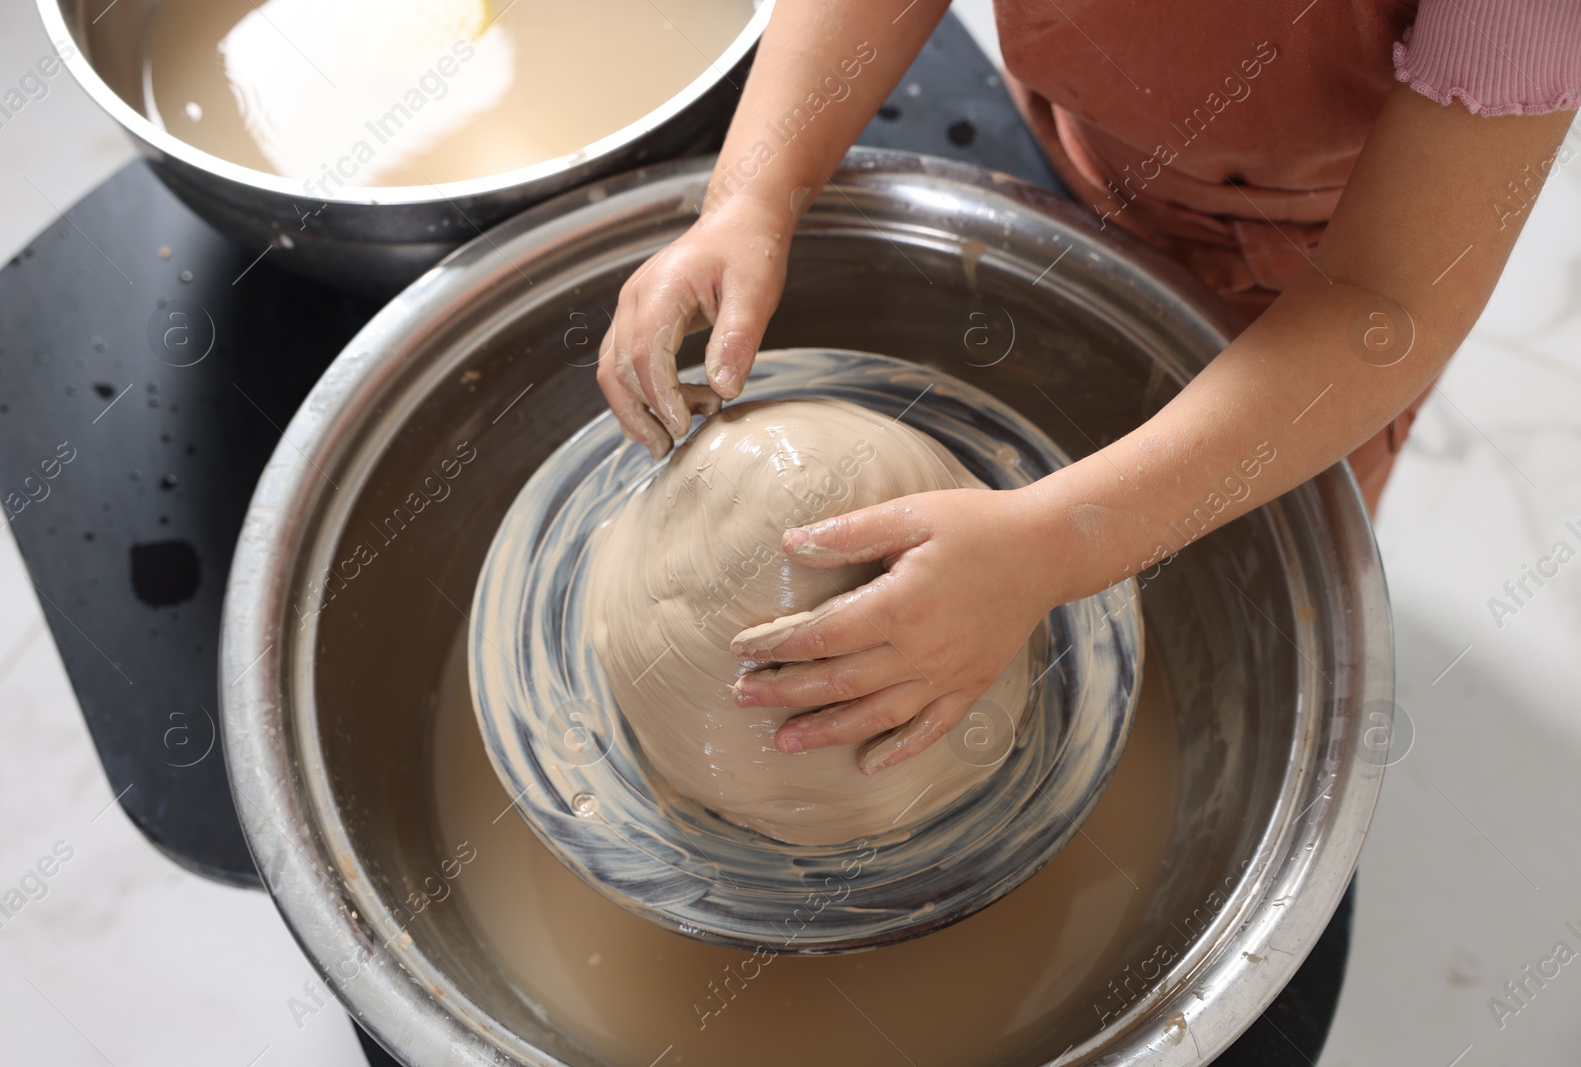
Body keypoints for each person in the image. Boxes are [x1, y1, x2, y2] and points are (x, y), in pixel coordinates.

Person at [593, 0, 1580, 775]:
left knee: (1223, 609)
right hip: (1076, 156)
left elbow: (1384, 302)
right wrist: (755, 193)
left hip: (1318, 289)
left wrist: (1049, 549)